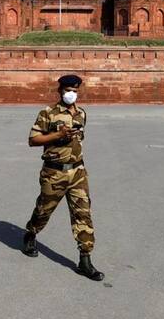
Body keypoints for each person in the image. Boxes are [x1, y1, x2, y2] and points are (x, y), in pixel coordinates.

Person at [22, 74, 104, 281]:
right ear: (60, 91)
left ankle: (85, 260)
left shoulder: (81, 114)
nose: (71, 94)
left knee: (83, 215)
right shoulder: (48, 113)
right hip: (54, 173)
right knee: (43, 211)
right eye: (68, 90)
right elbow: (33, 140)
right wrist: (58, 136)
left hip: (77, 172)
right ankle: (31, 233)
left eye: (75, 91)